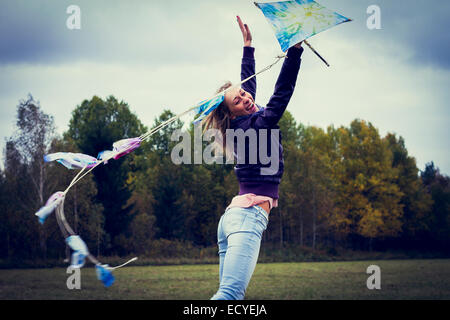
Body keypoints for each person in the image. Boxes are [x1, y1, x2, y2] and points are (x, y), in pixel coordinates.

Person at [205, 16, 304, 300]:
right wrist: (294, 52)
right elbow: (280, 95)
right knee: (230, 296)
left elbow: (249, 84)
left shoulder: (244, 121)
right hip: (247, 217)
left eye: (244, 94)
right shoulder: (254, 126)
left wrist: (248, 47)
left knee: (230, 296)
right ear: (231, 113)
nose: (246, 98)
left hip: (234, 218)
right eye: (238, 101)